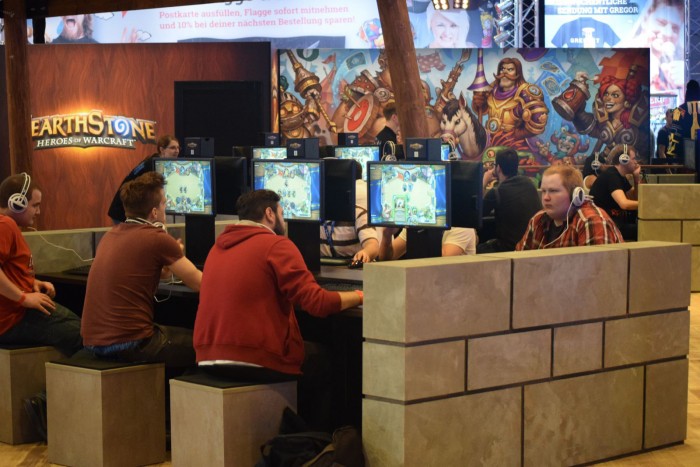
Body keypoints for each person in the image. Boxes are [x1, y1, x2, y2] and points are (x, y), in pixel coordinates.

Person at [193, 190, 363, 429]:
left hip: (206, 356)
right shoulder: (276, 245)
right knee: (329, 362)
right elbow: (318, 303)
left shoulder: (217, 247)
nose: (284, 220)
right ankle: (314, 442)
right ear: (270, 214)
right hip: (254, 357)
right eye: (282, 213)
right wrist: (361, 295)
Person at [81, 172, 201, 368]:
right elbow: (201, 284)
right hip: (130, 342)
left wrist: (169, 261)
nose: (166, 208)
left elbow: (154, 273)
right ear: (154, 213)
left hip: (93, 342)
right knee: (206, 346)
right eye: (164, 204)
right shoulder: (157, 238)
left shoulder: (110, 236)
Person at [0, 173, 82, 355]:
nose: (38, 212)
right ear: (17, 203)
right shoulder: (5, 225)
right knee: (85, 336)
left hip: (12, 316)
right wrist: (24, 298)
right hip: (13, 318)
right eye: (35, 205)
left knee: (81, 328)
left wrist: (32, 283)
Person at [516, 165, 623, 250]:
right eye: (543, 191)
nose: (546, 197)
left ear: (575, 195)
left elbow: (595, 269)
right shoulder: (538, 220)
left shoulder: (591, 221)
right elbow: (519, 262)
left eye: (553, 191)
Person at [471, 57, 548, 151]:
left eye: (510, 69)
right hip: (490, 141)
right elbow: (482, 109)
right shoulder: (492, 90)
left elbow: (538, 119)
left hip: (515, 145)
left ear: (517, 73)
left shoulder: (525, 93)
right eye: (502, 69)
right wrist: (479, 102)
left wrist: (518, 134)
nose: (505, 72)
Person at [478, 148, 541, 253]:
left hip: (508, 249)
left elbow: (476, 214)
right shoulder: (529, 184)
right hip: (530, 246)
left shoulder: (497, 192)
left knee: (475, 249)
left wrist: (484, 181)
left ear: (498, 168)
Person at [107, 135, 180, 223]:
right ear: (162, 149)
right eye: (172, 148)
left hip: (130, 210)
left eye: (178, 148)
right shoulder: (153, 165)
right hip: (123, 212)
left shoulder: (154, 161)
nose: (177, 151)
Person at [320, 162, 379, 263]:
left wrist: (366, 253)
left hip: (352, 267)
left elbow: (373, 245)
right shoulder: (316, 215)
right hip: (323, 267)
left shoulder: (359, 213)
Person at [588, 144, 641, 240]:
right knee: (644, 230)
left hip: (613, 221)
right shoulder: (612, 175)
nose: (636, 162)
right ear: (624, 160)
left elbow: (634, 198)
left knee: (642, 227)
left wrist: (636, 178)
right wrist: (647, 205)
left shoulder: (620, 176)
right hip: (605, 225)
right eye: (633, 159)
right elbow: (624, 204)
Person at [379, 226, 477, 260]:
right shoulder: (416, 223)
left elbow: (440, 263)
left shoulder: (461, 227)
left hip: (453, 288)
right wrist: (387, 235)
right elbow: (387, 258)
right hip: (424, 283)